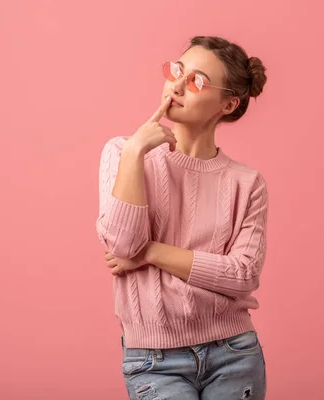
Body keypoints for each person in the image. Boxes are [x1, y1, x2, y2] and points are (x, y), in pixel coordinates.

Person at [96, 35, 269, 399]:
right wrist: (135, 151)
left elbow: (242, 275)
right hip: (153, 360)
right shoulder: (124, 153)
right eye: (177, 70)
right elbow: (123, 243)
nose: (176, 85)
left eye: (196, 80)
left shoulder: (246, 183)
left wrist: (149, 253)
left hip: (234, 353)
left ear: (228, 104)